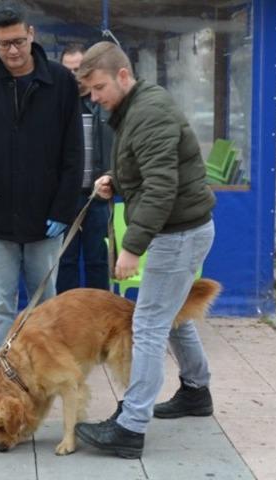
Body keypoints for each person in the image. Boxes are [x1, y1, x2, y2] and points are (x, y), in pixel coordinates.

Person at [73, 41, 216, 459]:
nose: (95, 99)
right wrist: (116, 179)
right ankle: (196, 391)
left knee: (149, 326)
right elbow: (149, 167)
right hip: (183, 230)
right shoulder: (135, 108)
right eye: (90, 92)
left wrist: (132, 247)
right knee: (171, 318)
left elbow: (161, 186)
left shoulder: (148, 111)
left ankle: (130, 426)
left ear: (122, 75)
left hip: (178, 234)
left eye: (99, 88)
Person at [0, 1, 82, 372]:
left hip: (46, 216)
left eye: (19, 42)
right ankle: (0, 372)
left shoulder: (60, 83)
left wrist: (63, 209)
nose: (12, 51)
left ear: (32, 35)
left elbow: (73, 153)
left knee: (46, 301)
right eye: (4, 43)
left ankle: (44, 370)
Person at [56, 43, 113, 293]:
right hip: (65, 197)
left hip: (96, 197)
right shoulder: (54, 105)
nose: (73, 76)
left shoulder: (102, 103)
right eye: (67, 70)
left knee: (97, 261)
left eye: (78, 69)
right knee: (64, 261)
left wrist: (111, 179)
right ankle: (68, 320)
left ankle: (99, 319)